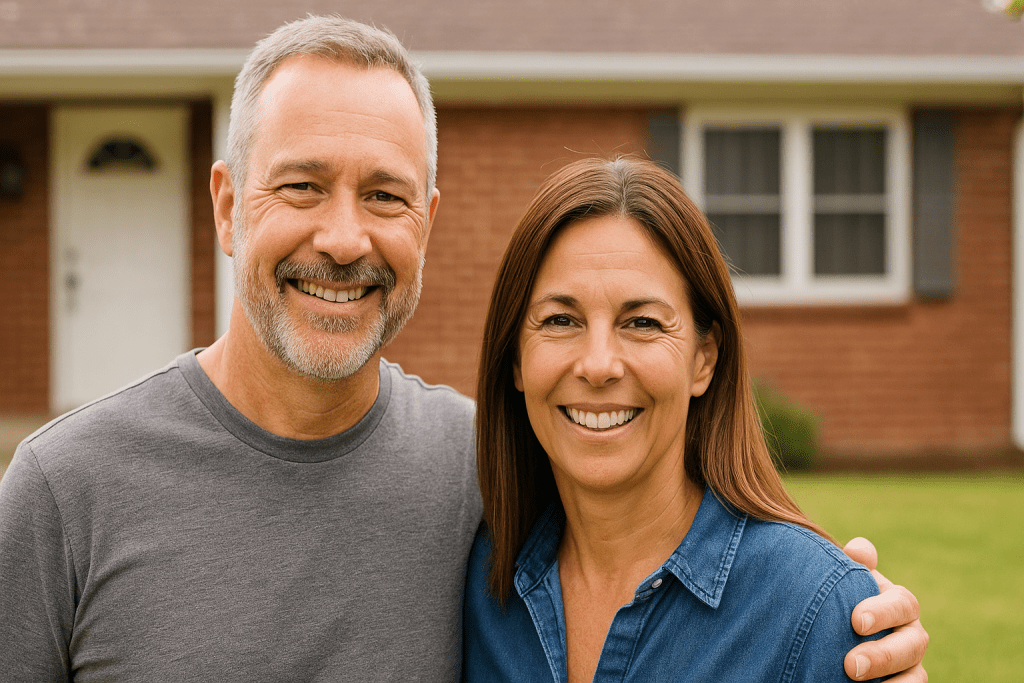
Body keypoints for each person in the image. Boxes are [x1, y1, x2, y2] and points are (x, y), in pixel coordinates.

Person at [0, 15, 925, 683]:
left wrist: (848, 612)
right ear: (227, 205)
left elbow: (700, 554)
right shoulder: (63, 492)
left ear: (428, 223)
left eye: (386, 196)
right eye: (303, 185)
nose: (346, 238)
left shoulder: (485, 470)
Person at [463, 156, 920, 682]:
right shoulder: (477, 585)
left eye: (642, 322)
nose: (597, 365)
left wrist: (837, 602)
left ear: (703, 359)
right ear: (517, 358)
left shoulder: (815, 613)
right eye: (560, 320)